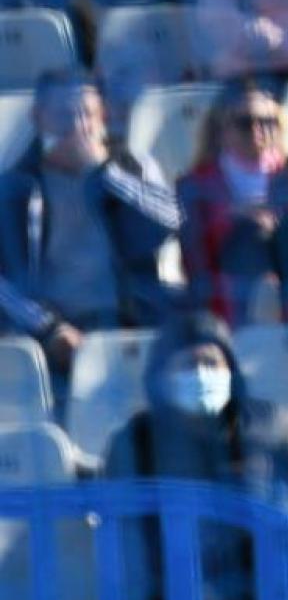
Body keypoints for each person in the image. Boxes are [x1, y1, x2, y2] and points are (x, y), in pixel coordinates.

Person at [102, 311, 288, 600]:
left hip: (265, 589)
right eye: (188, 365)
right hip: (171, 597)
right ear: (161, 376)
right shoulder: (135, 441)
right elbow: (123, 532)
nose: (202, 374)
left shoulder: (270, 423)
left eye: (212, 362)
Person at [0, 68, 180, 408]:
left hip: (131, 320)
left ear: (103, 117)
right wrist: (49, 328)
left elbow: (172, 220)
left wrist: (105, 174)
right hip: (56, 334)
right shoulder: (15, 187)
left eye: (86, 114)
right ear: (37, 119)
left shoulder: (132, 166)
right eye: (64, 116)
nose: (78, 127)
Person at [178, 79, 288, 324]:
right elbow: (193, 260)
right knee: (252, 231)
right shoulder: (196, 183)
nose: (258, 131)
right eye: (245, 123)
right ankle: (265, 303)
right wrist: (235, 217)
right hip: (234, 282)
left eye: (268, 122)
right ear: (223, 129)